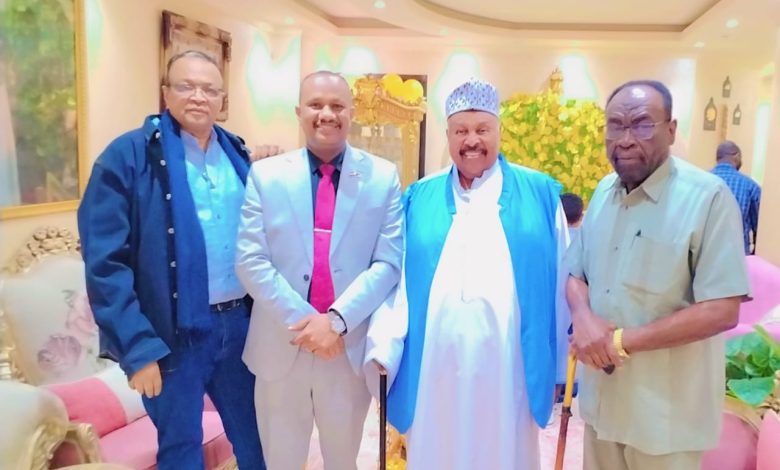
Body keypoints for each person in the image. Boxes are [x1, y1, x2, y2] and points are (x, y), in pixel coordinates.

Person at [364, 77, 570, 470]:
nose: (471, 140)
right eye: (461, 131)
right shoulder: (418, 197)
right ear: (447, 135)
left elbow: (561, 282)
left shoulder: (540, 194)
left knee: (505, 453)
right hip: (434, 367)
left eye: (482, 129)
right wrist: (384, 346)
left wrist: (558, 367)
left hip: (509, 367)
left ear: (499, 131)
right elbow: (397, 281)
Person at [78, 50, 266, 469]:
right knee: (181, 450)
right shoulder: (127, 157)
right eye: (186, 86)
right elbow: (105, 264)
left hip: (241, 325)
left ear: (222, 99)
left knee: (259, 438)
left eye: (209, 89)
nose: (198, 96)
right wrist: (138, 349)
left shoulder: (237, 153)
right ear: (165, 92)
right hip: (173, 334)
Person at [566, 80, 749, 470]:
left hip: (666, 420)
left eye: (642, 124)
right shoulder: (603, 192)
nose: (626, 138)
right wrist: (582, 317)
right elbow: (576, 274)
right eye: (615, 125)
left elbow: (722, 309)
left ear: (671, 129)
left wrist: (618, 341)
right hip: (603, 407)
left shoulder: (709, 198)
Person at [235, 70, 403, 470]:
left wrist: (336, 323)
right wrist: (310, 324)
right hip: (281, 343)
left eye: (337, 105)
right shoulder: (266, 175)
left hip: (345, 347)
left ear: (352, 112)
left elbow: (388, 262)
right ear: (299, 112)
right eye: (316, 104)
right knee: (281, 461)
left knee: (343, 460)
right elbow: (250, 259)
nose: (326, 113)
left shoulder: (382, 177)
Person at [711, 140, 762, 254]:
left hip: (704, 256)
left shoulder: (701, 182)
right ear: (736, 156)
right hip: (737, 256)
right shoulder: (750, 186)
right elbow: (758, 228)